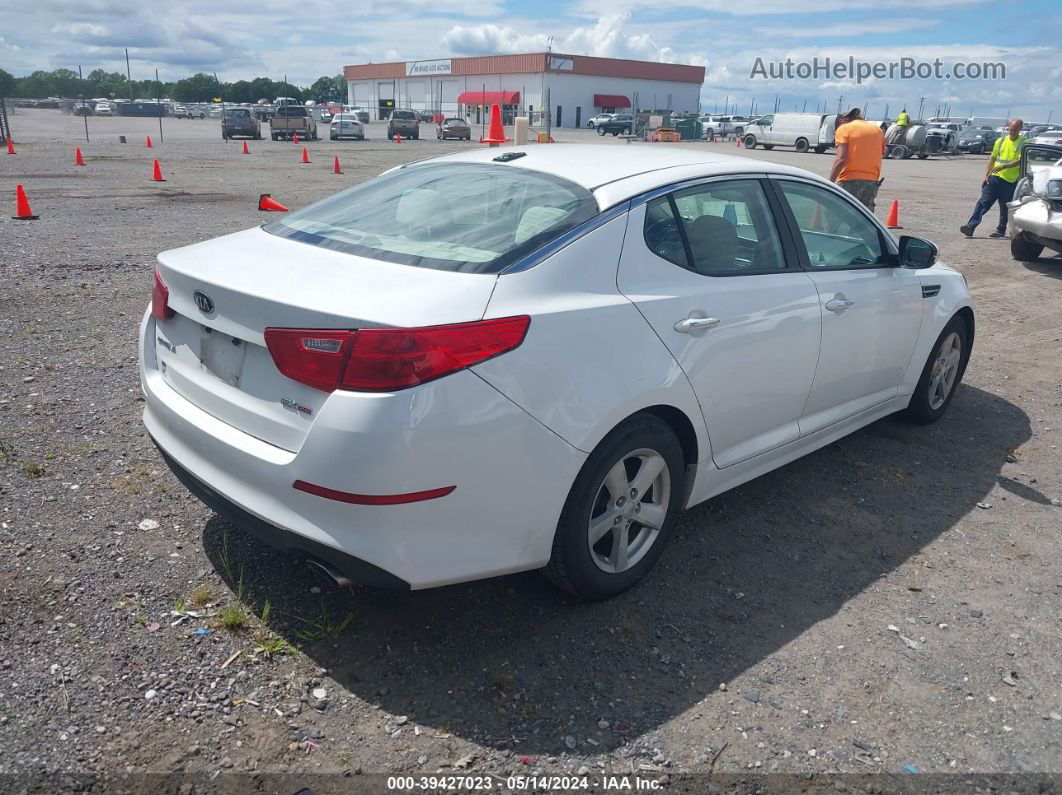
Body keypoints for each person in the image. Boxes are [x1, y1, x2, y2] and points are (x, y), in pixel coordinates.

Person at [960, 118, 1025, 238]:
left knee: (1005, 207)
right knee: (983, 203)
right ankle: (970, 226)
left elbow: (1020, 160)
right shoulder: (1000, 141)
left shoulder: (1023, 142)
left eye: (1016, 130)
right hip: (995, 177)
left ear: (1020, 129)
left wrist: (1005, 166)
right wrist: (986, 175)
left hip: (1010, 181)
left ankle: (1000, 229)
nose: (1013, 132)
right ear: (1008, 128)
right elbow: (993, 159)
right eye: (1011, 129)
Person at [830, 108, 886, 211]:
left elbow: (841, 158)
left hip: (849, 180)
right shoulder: (877, 130)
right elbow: (883, 152)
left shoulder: (844, 128)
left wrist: (830, 182)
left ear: (842, 120)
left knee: (836, 216)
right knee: (863, 219)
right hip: (872, 181)